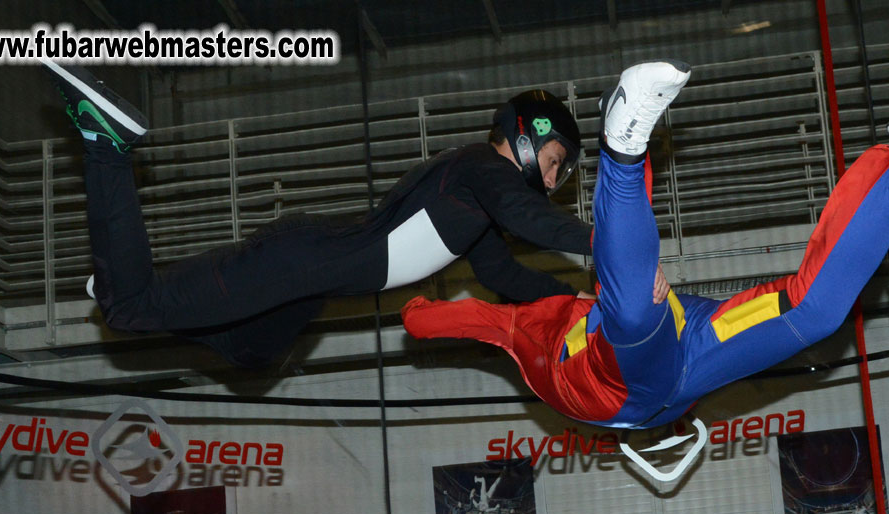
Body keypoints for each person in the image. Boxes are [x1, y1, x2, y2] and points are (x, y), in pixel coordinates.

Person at [403, 61, 889, 430]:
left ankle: (623, 146)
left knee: (636, 310)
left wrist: (417, 313)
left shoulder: (534, 321)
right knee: (815, 316)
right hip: (691, 359)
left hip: (620, 374)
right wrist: (418, 314)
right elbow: (470, 315)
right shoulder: (529, 312)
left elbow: (468, 319)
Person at [44, 60, 607, 367]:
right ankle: (105, 141)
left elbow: (501, 274)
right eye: (556, 161)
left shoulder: (478, 204)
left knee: (250, 352)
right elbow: (531, 219)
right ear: (529, 137)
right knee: (130, 309)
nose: (554, 180)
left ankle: (119, 275)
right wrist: (604, 241)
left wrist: (568, 300)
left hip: (307, 284)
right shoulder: (484, 169)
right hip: (295, 263)